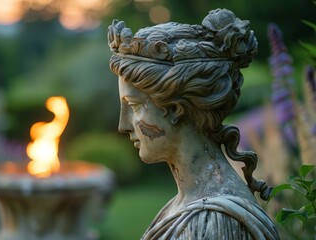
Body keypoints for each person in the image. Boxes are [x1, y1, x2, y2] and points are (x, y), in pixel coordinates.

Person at [108, 8, 280, 240]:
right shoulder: (186, 207)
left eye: (135, 106)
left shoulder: (213, 223)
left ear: (177, 109)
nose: (123, 125)